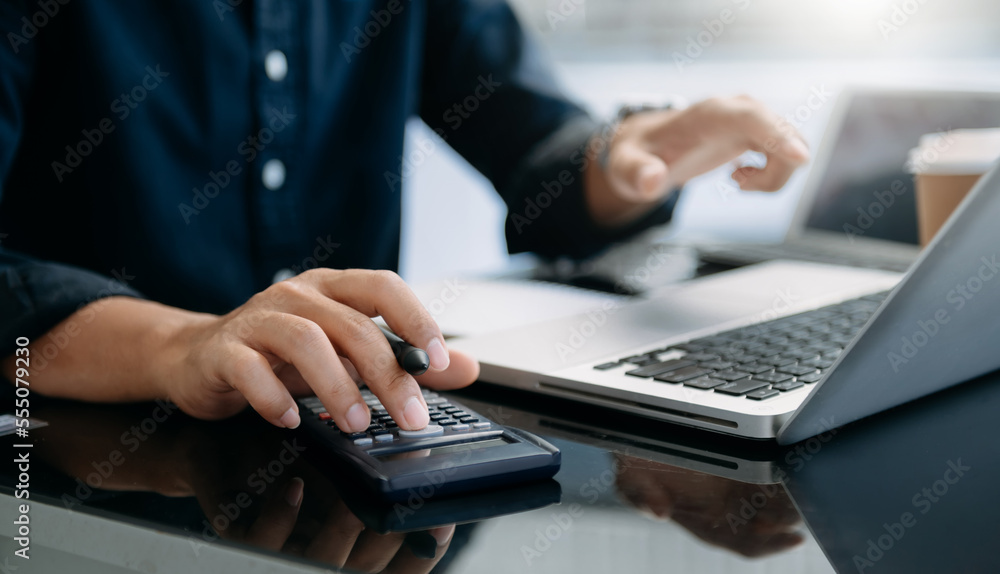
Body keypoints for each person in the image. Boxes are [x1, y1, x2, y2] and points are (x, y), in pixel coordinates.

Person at [0, 1, 809, 434]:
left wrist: (633, 157)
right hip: (77, 463)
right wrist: (182, 343)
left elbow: (541, 162)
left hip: (354, 456)